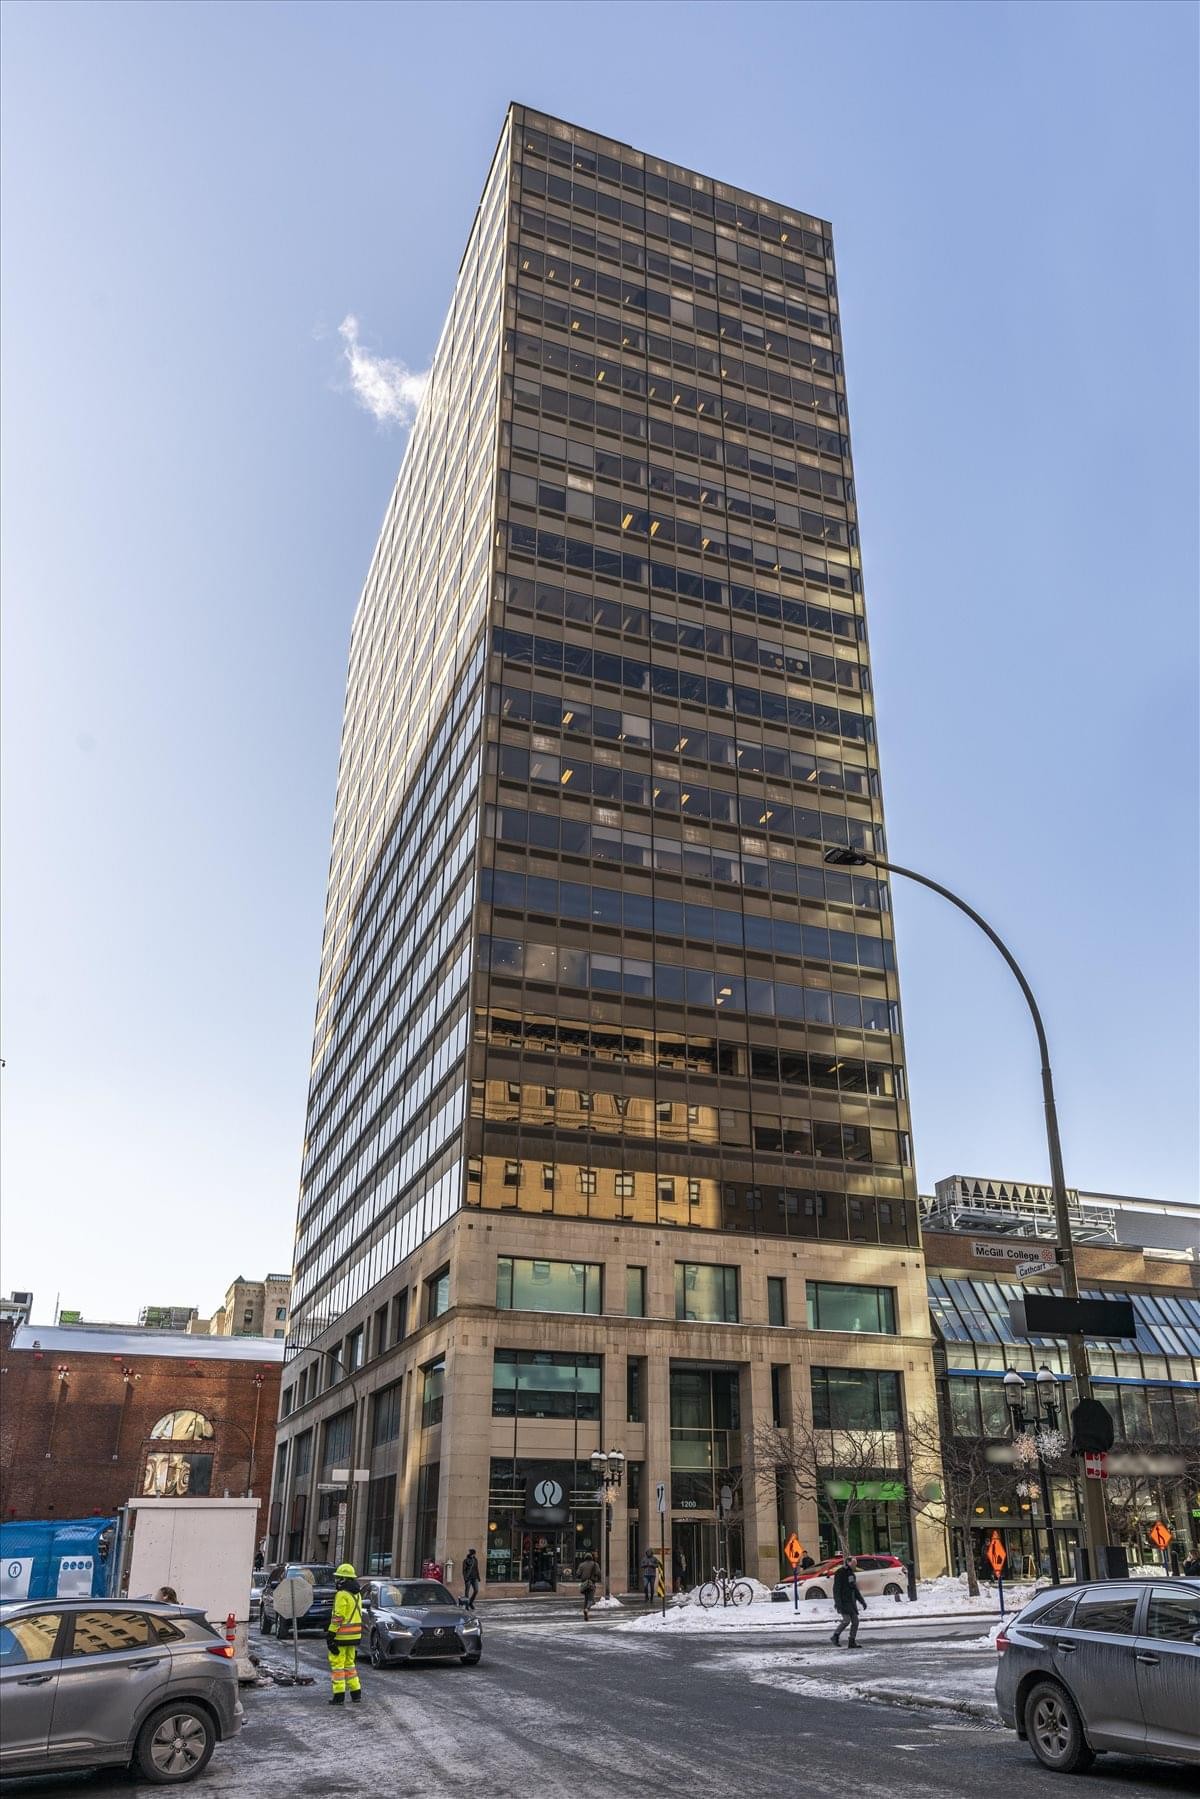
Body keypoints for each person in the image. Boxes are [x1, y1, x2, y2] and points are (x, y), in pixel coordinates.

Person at [326, 1563, 363, 1705]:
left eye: (338, 1578)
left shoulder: (342, 1594)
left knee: (337, 1666)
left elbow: (338, 1617)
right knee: (350, 1665)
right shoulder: (357, 1594)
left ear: (344, 1579)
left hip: (341, 1636)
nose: (336, 1581)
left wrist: (331, 1634)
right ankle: (356, 1693)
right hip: (354, 1636)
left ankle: (339, 1696)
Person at [830, 1556, 867, 1648]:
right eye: (853, 1563)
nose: (855, 1565)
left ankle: (851, 1641)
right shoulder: (840, 1572)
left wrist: (862, 1601)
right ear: (848, 1563)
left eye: (855, 1564)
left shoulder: (851, 1573)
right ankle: (835, 1636)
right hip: (843, 1601)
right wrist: (838, 1602)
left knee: (855, 1621)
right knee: (846, 1620)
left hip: (851, 1601)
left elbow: (854, 1588)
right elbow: (836, 1589)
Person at [577, 1549, 602, 1619]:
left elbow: (578, 1574)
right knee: (591, 1600)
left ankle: (586, 1615)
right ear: (591, 1557)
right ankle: (587, 1609)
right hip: (591, 1583)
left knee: (586, 1599)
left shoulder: (581, 1565)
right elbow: (598, 1573)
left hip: (584, 1584)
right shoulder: (595, 1564)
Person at [462, 1547, 480, 1611]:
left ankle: (470, 1602)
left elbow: (476, 1569)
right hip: (468, 1578)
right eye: (473, 1554)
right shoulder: (466, 1560)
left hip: (475, 1577)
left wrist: (478, 1577)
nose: (474, 1555)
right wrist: (465, 1578)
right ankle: (467, 1605)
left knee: (476, 1590)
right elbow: (464, 1570)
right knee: (467, 1592)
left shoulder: (475, 1560)